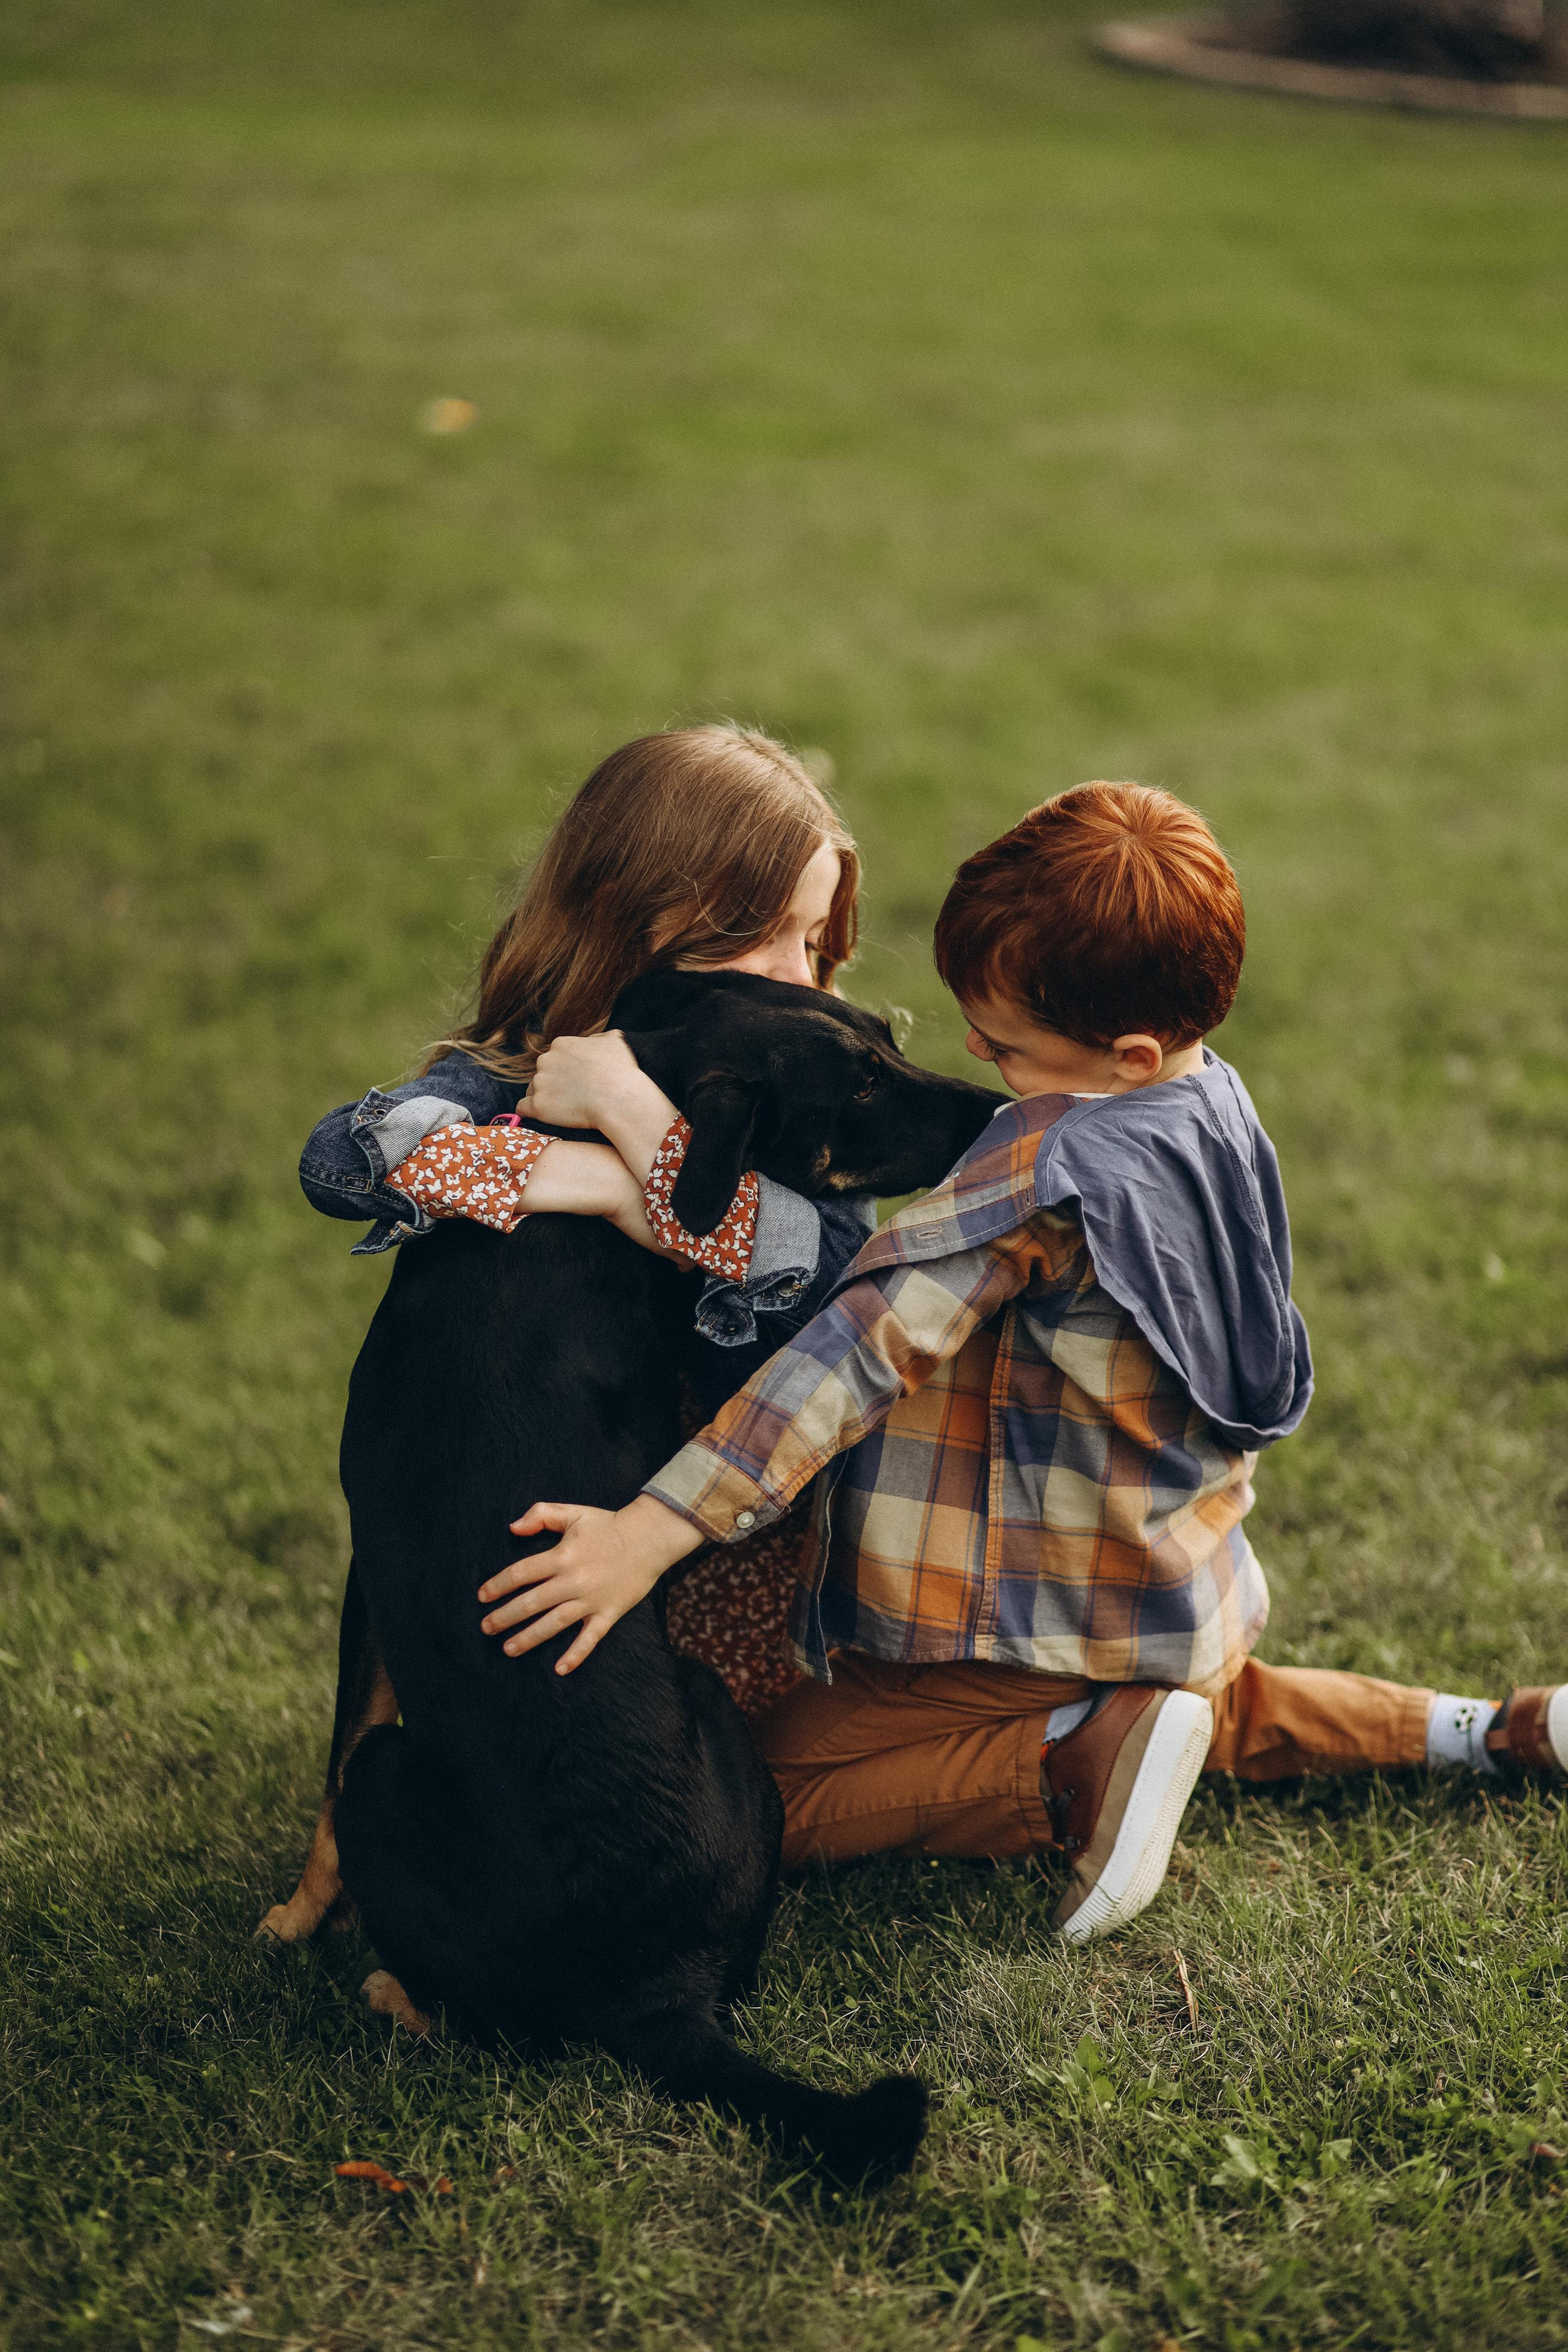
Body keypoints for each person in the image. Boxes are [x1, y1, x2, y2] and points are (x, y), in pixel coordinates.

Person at [472, 782, 1568, 1942]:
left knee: (745, 1788)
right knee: (1207, 1705)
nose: (979, 1057)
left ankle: (1064, 1768)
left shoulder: (1043, 1171)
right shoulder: (1211, 1101)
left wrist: (646, 1533)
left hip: (1027, 1607)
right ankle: (1491, 1729)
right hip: (1170, 1578)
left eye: (1004, 1045)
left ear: (1128, 1051)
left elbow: (858, 1352)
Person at [297, 723, 883, 1714]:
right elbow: (349, 1157)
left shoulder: (795, 1099)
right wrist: (554, 1158)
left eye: (815, 941)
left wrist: (632, 1158)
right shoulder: (534, 1067)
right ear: (635, 921)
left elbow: (826, 1288)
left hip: (722, 1549)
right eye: (761, 933)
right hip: (538, 1515)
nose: (797, 973)